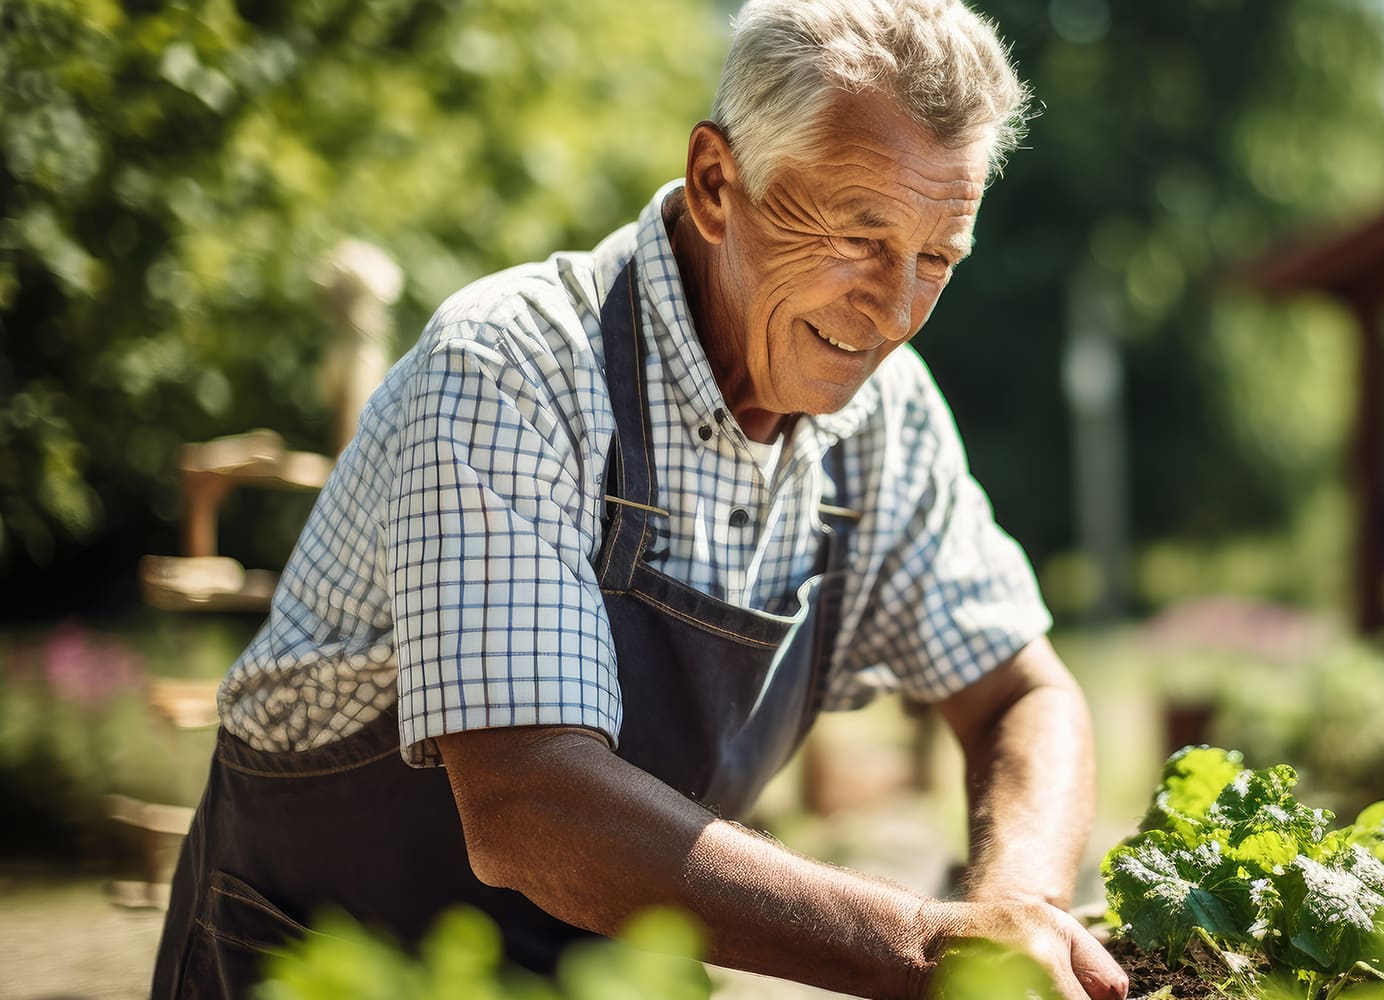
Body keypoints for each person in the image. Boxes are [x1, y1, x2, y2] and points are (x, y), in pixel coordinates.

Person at [150, 2, 1128, 997]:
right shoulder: (509, 371)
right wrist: (922, 946)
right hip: (321, 965)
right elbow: (531, 804)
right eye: (856, 234)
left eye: (938, 257)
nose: (895, 311)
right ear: (716, 184)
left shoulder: (887, 424)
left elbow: (1021, 693)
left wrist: (1016, 916)